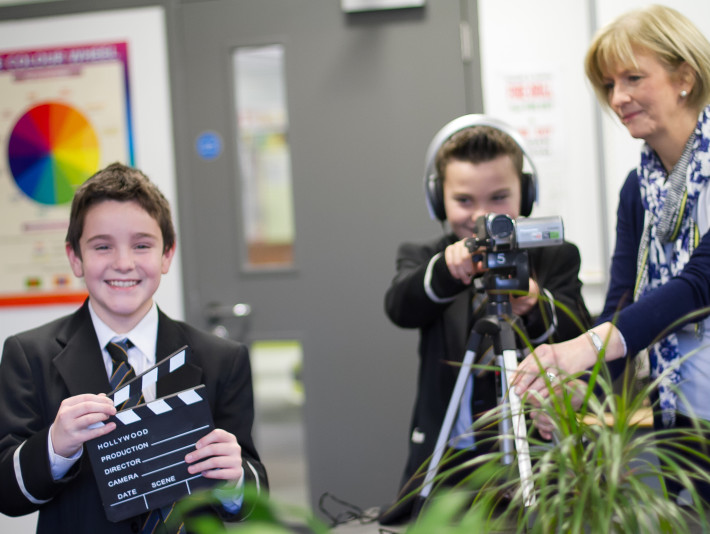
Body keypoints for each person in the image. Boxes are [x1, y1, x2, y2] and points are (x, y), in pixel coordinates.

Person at [0, 163, 268, 533]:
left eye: (142, 245)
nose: (123, 263)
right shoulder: (28, 356)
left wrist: (234, 479)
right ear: (75, 258)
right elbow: (7, 494)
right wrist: (54, 447)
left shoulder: (223, 359)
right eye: (102, 246)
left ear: (167, 254)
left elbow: (252, 497)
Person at [512, 4, 710, 501]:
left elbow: (699, 285)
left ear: (685, 77)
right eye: (608, 84)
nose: (618, 97)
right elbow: (623, 301)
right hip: (681, 417)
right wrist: (587, 391)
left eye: (633, 78)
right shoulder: (637, 189)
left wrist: (579, 350)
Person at [378, 117, 591, 525]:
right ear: (438, 200)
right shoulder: (426, 257)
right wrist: (446, 272)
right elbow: (400, 307)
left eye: (499, 198)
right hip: (450, 462)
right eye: (463, 200)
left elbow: (578, 333)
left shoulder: (556, 256)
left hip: (539, 456)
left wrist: (535, 303)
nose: (481, 216)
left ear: (526, 194)